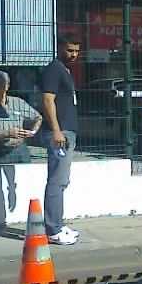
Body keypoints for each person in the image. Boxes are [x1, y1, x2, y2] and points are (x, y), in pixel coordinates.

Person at [41, 36, 82, 246]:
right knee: (57, 180)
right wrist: (57, 130)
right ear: (59, 48)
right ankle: (53, 229)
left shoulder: (64, 71)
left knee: (62, 180)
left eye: (76, 51)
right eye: (69, 50)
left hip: (67, 132)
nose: (73, 55)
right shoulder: (54, 70)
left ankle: (57, 224)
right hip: (60, 133)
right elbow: (48, 100)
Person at [0, 71, 42, 165]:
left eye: (0, 84)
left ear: (7, 86)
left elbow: (38, 118)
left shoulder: (18, 102)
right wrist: (7, 134)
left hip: (20, 150)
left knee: (23, 179)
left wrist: (31, 132)